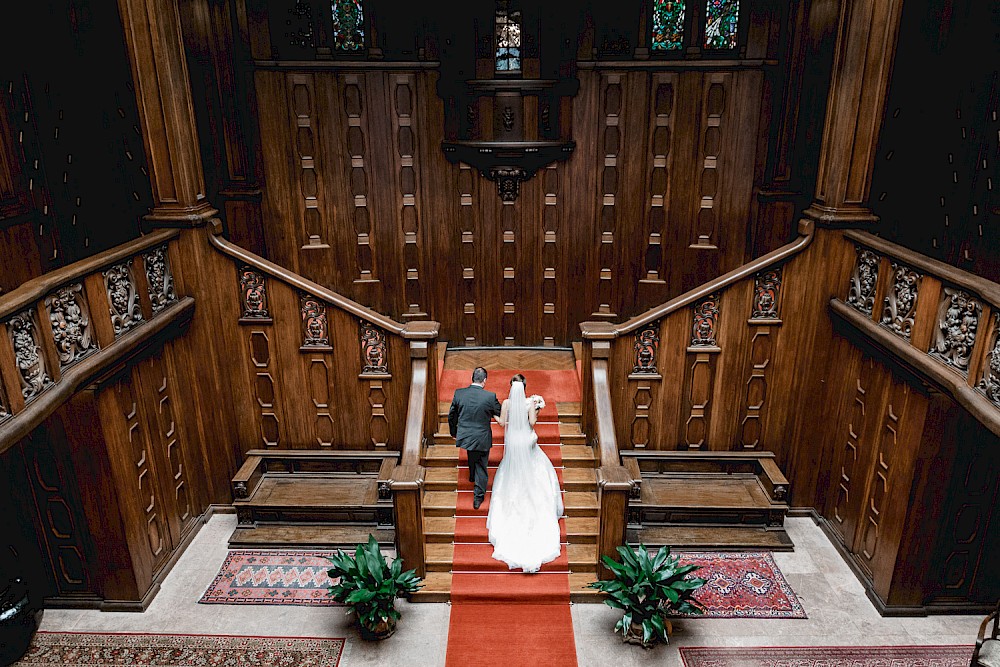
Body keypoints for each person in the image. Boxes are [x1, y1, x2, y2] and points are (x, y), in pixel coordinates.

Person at [487, 374, 564, 573]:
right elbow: (531, 424)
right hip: (526, 442)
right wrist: (536, 409)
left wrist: (492, 414)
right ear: (525, 387)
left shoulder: (506, 403)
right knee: (537, 468)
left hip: (513, 443)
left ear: (511, 387)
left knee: (510, 473)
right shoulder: (530, 403)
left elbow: (502, 424)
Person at [448, 367, 502, 510]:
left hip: (466, 434)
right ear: (484, 380)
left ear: (472, 378)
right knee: (481, 466)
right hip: (482, 436)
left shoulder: (459, 394)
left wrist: (454, 432)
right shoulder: (490, 397)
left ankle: (472, 476)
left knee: (472, 452)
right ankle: (478, 497)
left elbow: (452, 415)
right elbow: (499, 411)